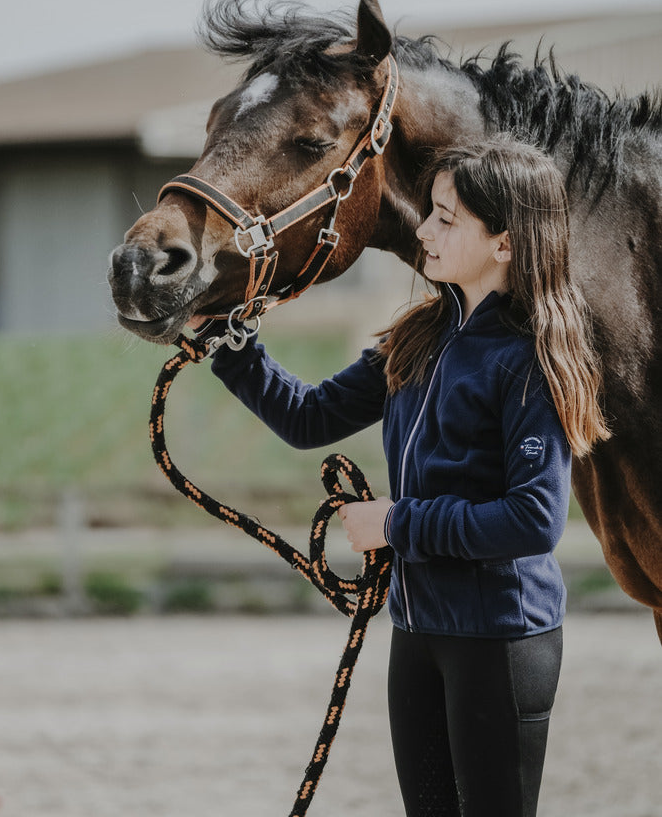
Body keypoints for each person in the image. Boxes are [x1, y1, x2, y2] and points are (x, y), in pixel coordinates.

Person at [197, 138, 610, 817]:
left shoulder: (531, 358)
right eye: (429, 213)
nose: (421, 229)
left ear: (504, 243)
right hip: (416, 632)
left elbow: (533, 521)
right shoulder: (414, 338)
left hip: (500, 639)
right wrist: (231, 344)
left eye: (446, 218)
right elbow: (310, 417)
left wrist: (396, 523)